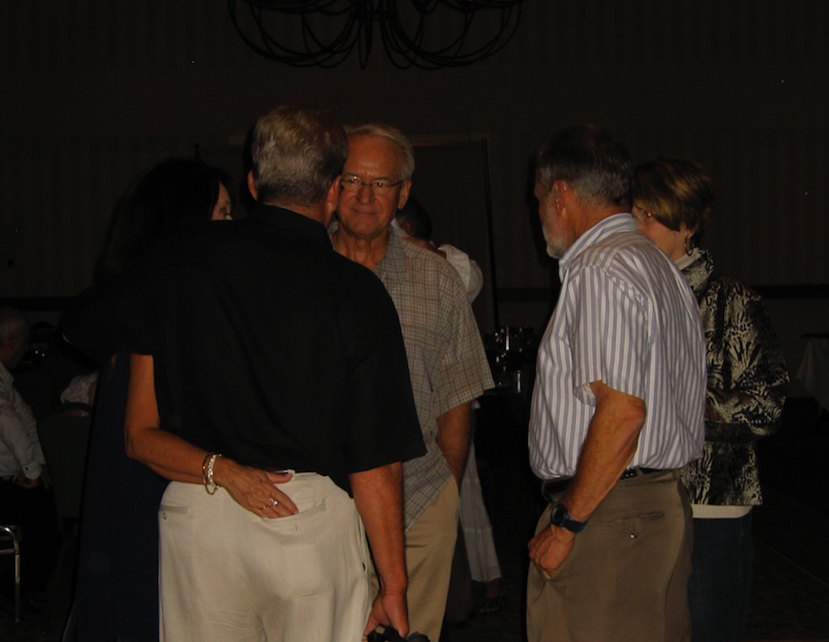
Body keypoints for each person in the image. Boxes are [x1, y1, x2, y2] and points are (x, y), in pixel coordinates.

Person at [63, 106, 425, 642]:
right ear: (332, 190)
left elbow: (89, 339)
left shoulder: (178, 261)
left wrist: (221, 467)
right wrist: (393, 584)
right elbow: (376, 463)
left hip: (200, 516)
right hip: (304, 520)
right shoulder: (355, 291)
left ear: (253, 184)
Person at [525, 125, 706, 642]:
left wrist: (567, 525)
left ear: (560, 194)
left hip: (610, 514)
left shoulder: (600, 268)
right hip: (652, 506)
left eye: (538, 199)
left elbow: (623, 413)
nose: (539, 214)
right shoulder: (657, 265)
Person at [331, 124, 493, 642]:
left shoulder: (436, 278)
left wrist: (445, 492)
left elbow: (457, 398)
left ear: (402, 194)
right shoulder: (301, 271)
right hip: (324, 509)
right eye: (352, 179)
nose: (364, 196)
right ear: (332, 184)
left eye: (380, 184)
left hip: (419, 501)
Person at [66, 157, 237, 642]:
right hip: (152, 494)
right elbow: (143, 437)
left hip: (154, 491)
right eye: (222, 212)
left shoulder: (148, 296)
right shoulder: (159, 304)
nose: (232, 226)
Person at [631, 158, 789, 642]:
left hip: (708, 506)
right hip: (636, 502)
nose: (637, 228)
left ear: (688, 224)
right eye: (633, 214)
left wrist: (676, 399)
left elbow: (767, 406)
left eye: (649, 216)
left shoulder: (729, 301)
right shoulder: (628, 296)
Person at [394, 199, 505, 614]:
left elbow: (469, 278)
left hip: (449, 403)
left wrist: (419, 251)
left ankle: (483, 583)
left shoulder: (449, 262)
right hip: (412, 401)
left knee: (461, 495)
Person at [0, 307, 60, 613]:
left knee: (47, 504)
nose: (26, 349)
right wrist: (32, 471)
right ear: (11, 342)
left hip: (8, 478)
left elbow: (26, 420)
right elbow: (8, 422)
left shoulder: (5, 380)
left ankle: (27, 590)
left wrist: (39, 465)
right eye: (24, 342)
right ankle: (22, 593)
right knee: (44, 519)